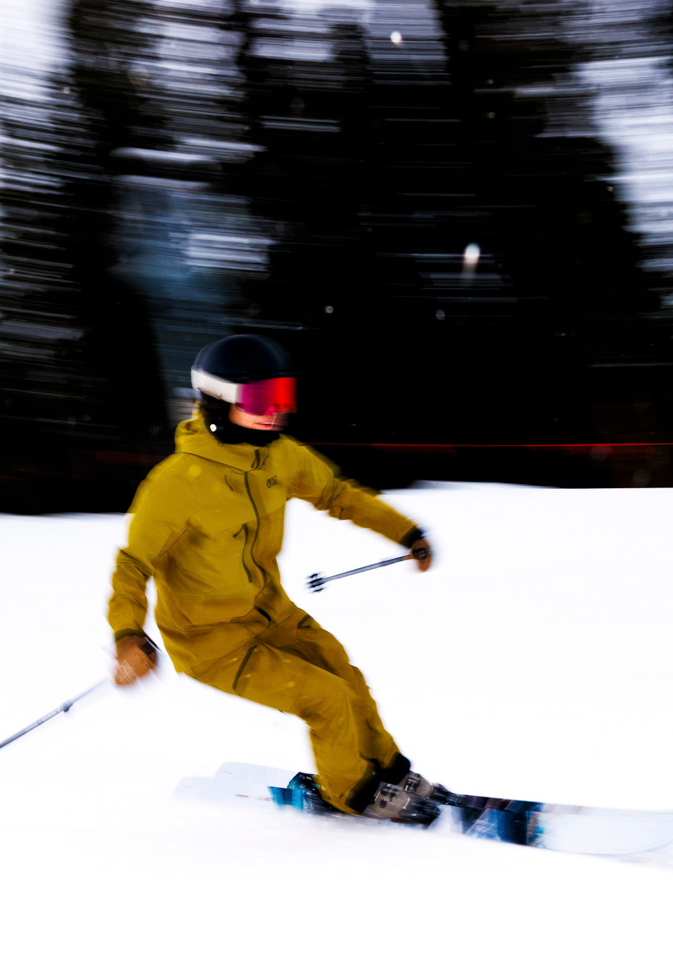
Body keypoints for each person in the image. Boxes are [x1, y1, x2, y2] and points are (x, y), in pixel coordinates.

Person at [107, 334, 437, 823]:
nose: (275, 411)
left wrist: (404, 532)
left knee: (344, 676)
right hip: (212, 642)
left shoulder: (278, 456)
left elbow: (337, 494)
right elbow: (132, 566)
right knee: (323, 698)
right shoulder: (177, 483)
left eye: (282, 396)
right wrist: (128, 636)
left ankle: (386, 768)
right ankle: (353, 791)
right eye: (262, 399)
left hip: (271, 613)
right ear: (221, 400)